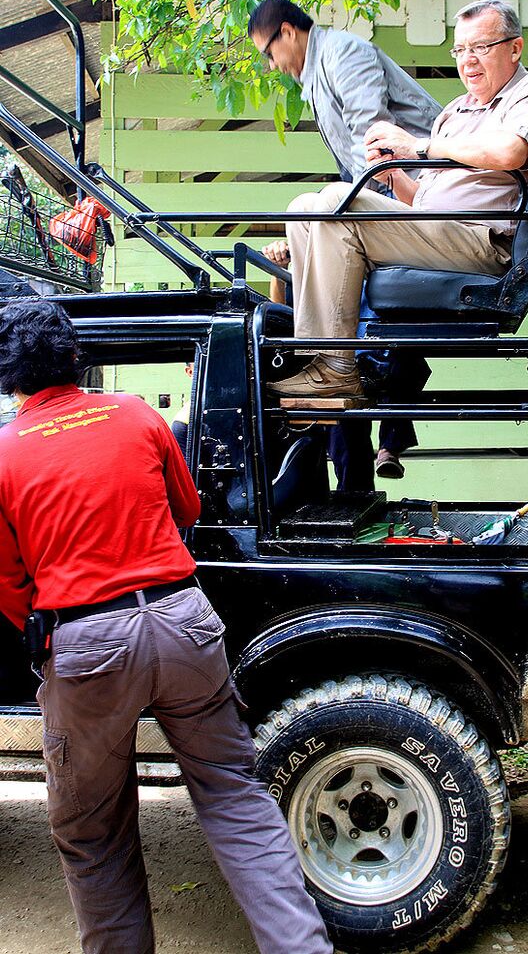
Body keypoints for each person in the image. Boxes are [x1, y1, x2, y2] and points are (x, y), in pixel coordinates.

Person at [0, 300, 332, 954]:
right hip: (185, 623)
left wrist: (48, 643)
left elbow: (9, 583)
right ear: (76, 357)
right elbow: (188, 505)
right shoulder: (136, 415)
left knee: (94, 833)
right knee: (237, 802)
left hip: (87, 645)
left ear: (8, 376)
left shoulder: (5, 452)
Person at [265, 0, 528, 400]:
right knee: (304, 208)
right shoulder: (456, 111)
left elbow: (511, 153)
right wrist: (392, 172)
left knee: (338, 199)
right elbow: (421, 200)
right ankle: (318, 361)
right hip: (438, 232)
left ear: (515, 48)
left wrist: (419, 146)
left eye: (481, 48)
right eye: (460, 50)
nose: (468, 61)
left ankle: (336, 367)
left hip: (480, 239)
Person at [249, 0, 439, 481]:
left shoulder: (343, 54)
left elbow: (373, 144)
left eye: (268, 53)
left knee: (312, 209)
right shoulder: (319, 73)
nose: (271, 66)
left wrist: (330, 223)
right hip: (394, 199)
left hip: (424, 198)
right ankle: (331, 365)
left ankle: (337, 365)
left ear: (288, 32)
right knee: (308, 213)